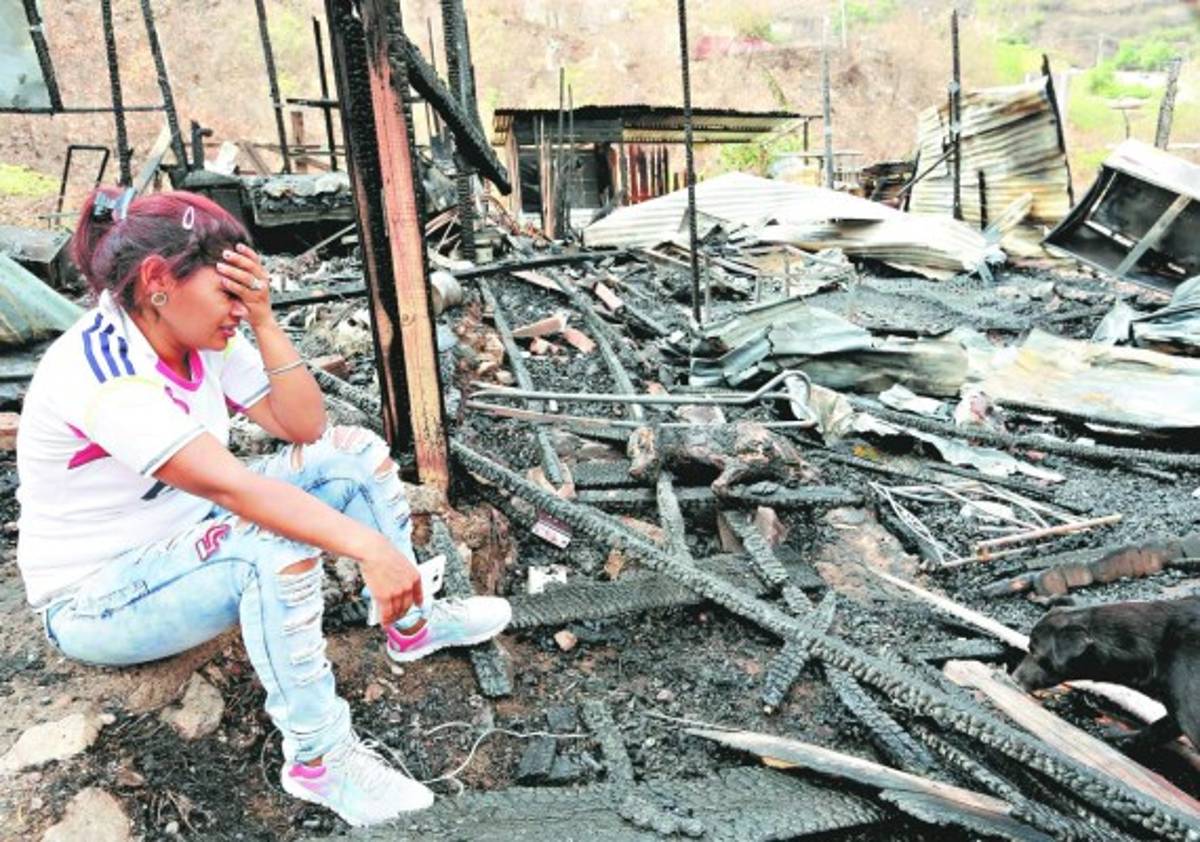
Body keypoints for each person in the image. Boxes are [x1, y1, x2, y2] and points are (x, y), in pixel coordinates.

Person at [15, 187, 511, 827]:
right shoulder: (105, 373)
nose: (237, 310)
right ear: (158, 280)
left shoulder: (199, 334)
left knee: (350, 453)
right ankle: (319, 757)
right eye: (228, 293)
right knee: (267, 550)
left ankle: (411, 623)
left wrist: (265, 320)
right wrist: (370, 549)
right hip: (97, 600)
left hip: (185, 536)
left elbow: (302, 425)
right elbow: (237, 491)